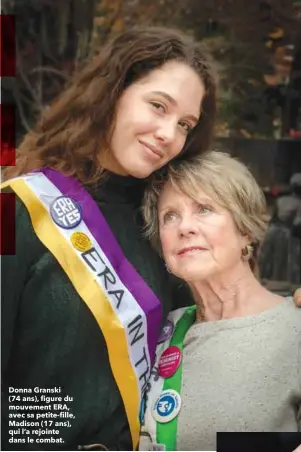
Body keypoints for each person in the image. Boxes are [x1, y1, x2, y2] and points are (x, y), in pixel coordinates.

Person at [1, 26, 218, 451]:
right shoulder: (18, 211)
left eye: (185, 124)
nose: (168, 134)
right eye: (158, 106)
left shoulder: (167, 228)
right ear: (112, 91)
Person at [139, 151, 301, 451]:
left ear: (246, 230)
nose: (184, 227)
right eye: (170, 216)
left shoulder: (295, 329)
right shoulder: (158, 331)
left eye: (204, 209)